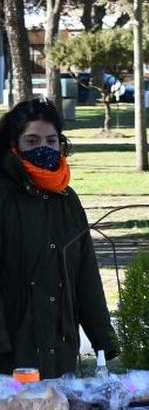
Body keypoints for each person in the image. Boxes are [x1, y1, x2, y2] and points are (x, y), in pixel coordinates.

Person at [0, 98, 118, 379]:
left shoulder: (67, 198)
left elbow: (85, 271)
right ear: (14, 145)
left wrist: (103, 338)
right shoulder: (3, 197)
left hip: (60, 345)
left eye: (51, 140)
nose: (43, 148)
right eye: (32, 140)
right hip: (12, 349)